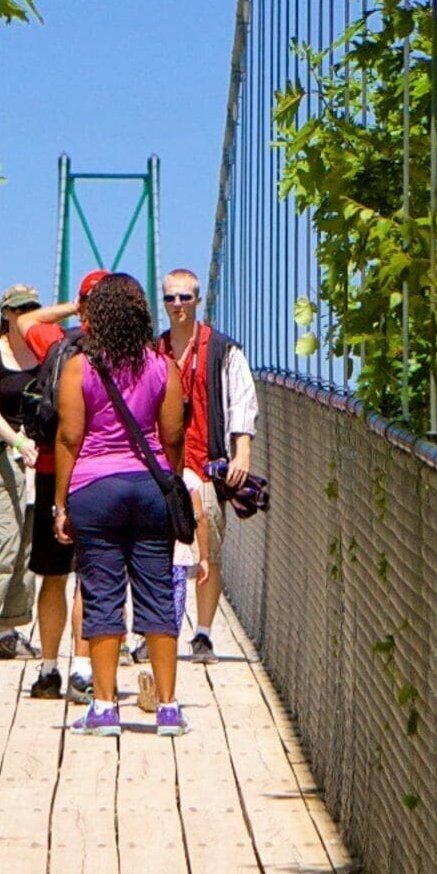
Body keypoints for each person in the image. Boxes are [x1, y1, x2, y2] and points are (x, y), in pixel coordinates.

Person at [51, 271, 191, 736]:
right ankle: (169, 709)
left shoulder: (79, 367)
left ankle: (105, 708)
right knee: (157, 593)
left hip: (94, 490)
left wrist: (61, 504)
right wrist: (167, 483)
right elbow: (172, 436)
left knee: (103, 596)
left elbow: (70, 437)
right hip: (149, 491)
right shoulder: (162, 366)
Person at [0, 284, 79, 667]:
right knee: (6, 538)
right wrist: (18, 442)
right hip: (3, 454)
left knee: (28, 542)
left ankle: (10, 630)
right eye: (18, 309)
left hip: (39, 458)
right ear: (6, 313)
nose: (24, 314)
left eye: (31, 306)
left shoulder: (48, 352)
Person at [155, 268, 261, 660]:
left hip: (207, 465)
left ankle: (202, 633)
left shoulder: (223, 350)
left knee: (208, 551)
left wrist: (243, 453)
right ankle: (155, 631)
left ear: (198, 301)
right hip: (162, 470)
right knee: (156, 551)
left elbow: (242, 402)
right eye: (170, 298)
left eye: (185, 298)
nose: (178, 305)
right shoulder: (153, 351)